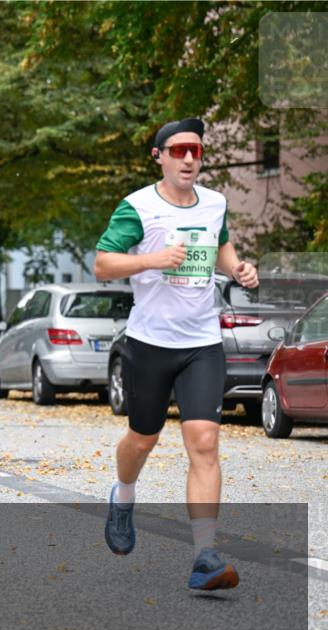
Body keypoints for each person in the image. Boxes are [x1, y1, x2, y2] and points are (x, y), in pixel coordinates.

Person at [94, 118, 259, 591]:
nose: (190, 158)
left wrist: (237, 269)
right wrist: (152, 259)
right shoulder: (138, 209)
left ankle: (205, 555)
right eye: (180, 150)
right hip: (150, 344)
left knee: (204, 444)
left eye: (197, 151)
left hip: (202, 343)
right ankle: (123, 496)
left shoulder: (215, 203)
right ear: (159, 156)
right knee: (141, 439)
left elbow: (221, 245)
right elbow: (104, 264)